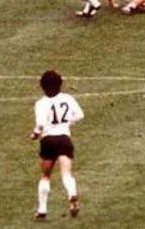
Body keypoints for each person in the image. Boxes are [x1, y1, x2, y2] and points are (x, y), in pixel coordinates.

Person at [30, 70, 85, 221]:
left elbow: (40, 123)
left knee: (45, 176)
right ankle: (72, 194)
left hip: (48, 141)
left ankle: (42, 210)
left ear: (42, 86)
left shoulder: (41, 103)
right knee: (66, 173)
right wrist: (68, 122)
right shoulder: (68, 98)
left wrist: (35, 133)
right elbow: (80, 115)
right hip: (64, 140)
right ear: (60, 84)